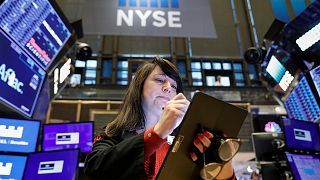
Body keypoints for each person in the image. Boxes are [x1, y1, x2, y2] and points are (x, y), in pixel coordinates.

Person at [84, 57, 236, 179]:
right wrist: (158, 132)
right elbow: (94, 169)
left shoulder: (188, 142)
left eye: (174, 86)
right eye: (159, 80)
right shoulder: (113, 133)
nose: (168, 87)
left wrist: (223, 162)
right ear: (139, 86)